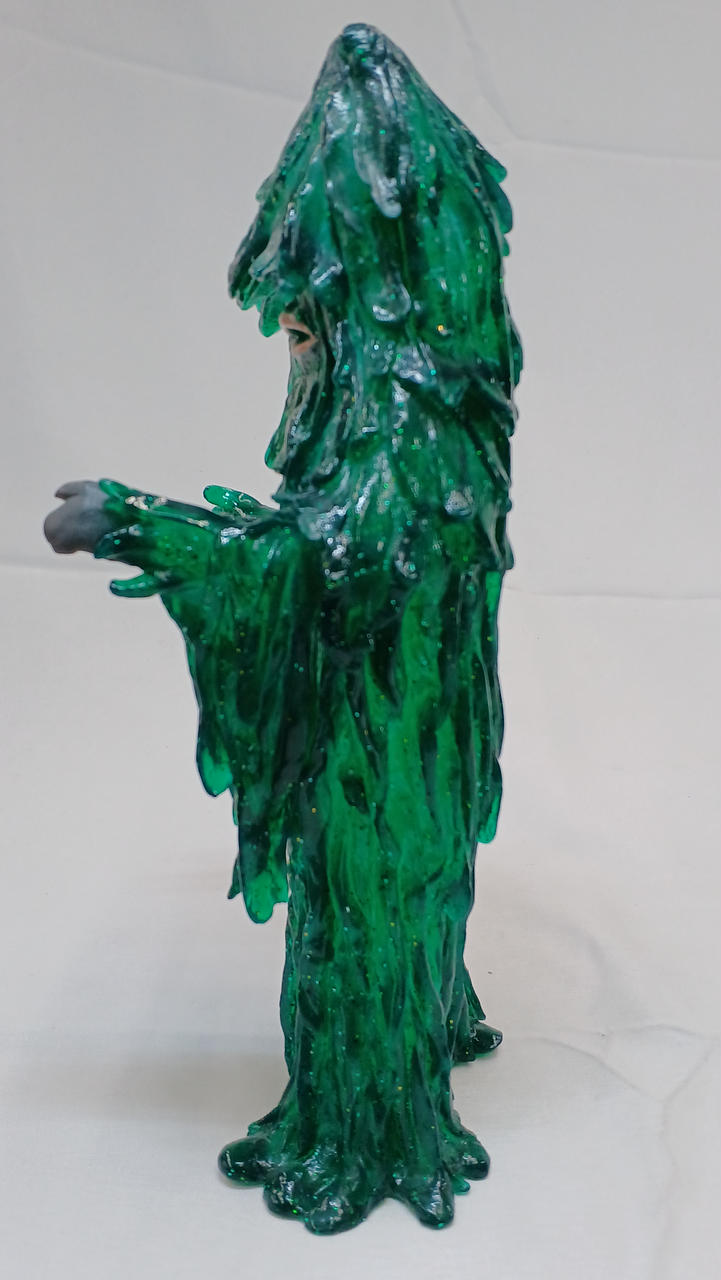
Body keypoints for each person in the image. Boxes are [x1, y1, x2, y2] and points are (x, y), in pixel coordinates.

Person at [44, 24, 522, 1233]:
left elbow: (310, 568)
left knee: (366, 908)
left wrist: (146, 527)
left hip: (385, 772)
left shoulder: (405, 446)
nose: (294, 352)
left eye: (306, 330)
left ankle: (368, 1126)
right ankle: (419, 1030)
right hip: (420, 758)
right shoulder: (452, 417)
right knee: (407, 890)